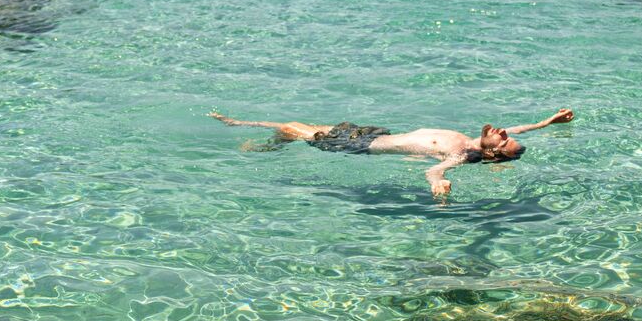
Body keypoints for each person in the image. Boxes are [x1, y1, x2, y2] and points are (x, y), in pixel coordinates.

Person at [208, 109, 575, 199]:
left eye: (503, 140)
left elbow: (435, 171)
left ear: (494, 156)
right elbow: (523, 129)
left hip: (362, 147)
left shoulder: (463, 153)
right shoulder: (478, 141)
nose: (504, 132)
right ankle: (259, 138)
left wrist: (440, 181)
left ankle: (242, 127)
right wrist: (549, 122)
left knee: (292, 127)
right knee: (301, 128)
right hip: (375, 133)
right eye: (505, 134)